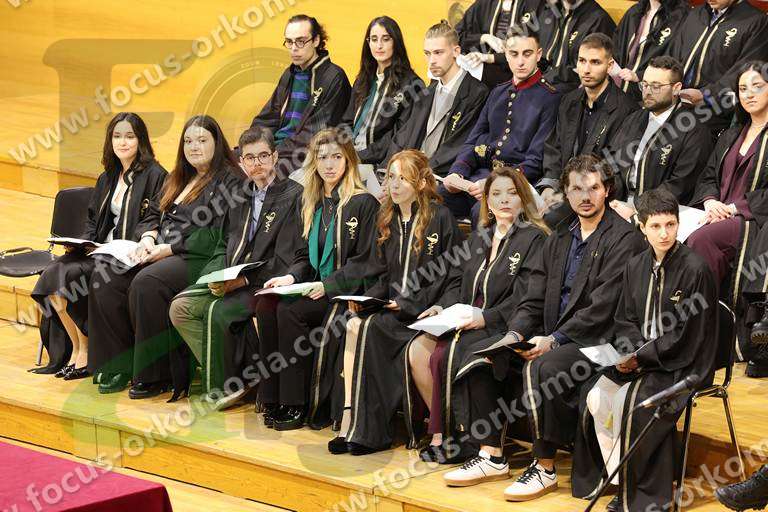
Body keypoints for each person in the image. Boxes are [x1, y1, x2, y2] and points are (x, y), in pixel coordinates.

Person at [498, 155, 645, 502]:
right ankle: (490, 454)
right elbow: (533, 297)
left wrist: (554, 339)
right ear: (566, 193)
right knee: (492, 354)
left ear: (607, 190)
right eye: (577, 189)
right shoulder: (559, 237)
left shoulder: (624, 238)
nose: (585, 196)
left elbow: (604, 308)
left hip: (604, 342)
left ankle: (544, 467)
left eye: (593, 188)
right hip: (559, 337)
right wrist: (514, 334)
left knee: (544, 366)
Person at [571, 189, 717, 512]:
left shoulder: (696, 269)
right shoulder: (635, 265)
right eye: (656, 226)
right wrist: (629, 354)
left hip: (682, 363)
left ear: (678, 224)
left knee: (633, 404)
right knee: (594, 396)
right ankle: (622, 482)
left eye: (670, 224)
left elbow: (689, 335)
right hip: (641, 358)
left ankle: (637, 493)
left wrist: (642, 357)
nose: (664, 233)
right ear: (642, 226)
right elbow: (624, 319)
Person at [407, 168, 548, 478]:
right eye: (496, 194)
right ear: (487, 201)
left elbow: (527, 297)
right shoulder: (480, 236)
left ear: (523, 199)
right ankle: (445, 432)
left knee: (454, 352)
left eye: (511, 193)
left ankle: (469, 442)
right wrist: (441, 307)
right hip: (465, 318)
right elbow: (458, 282)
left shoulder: (534, 238)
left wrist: (487, 317)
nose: (504, 200)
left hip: (502, 325)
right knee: (418, 349)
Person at [88, 115, 243, 398]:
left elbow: (217, 235)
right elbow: (152, 214)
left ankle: (157, 374)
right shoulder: (179, 176)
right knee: (106, 277)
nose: (194, 147)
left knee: (147, 282)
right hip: (160, 250)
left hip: (196, 257)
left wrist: (169, 249)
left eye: (202, 140)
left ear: (217, 143)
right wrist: (148, 237)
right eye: (188, 141)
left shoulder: (230, 181)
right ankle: (119, 364)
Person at [327, 150, 463, 455]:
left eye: (404, 178)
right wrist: (369, 300)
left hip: (424, 314)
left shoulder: (440, 218)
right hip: (394, 310)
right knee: (354, 324)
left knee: (371, 330)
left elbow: (456, 277)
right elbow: (378, 273)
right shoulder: (385, 219)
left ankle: (371, 432)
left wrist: (438, 305)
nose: (396, 184)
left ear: (421, 182)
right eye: (391, 177)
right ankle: (353, 421)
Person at [253, 127, 380, 431]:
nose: (329, 165)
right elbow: (302, 256)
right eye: (322, 158)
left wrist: (327, 285)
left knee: (290, 312)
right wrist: (289, 277)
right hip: (313, 286)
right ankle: (272, 397)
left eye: (336, 157)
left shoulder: (363, 203)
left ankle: (296, 404)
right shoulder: (312, 202)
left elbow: (366, 262)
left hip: (344, 293)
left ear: (348, 160)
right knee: (267, 305)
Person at [168, 126, 303, 408]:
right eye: (250, 158)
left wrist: (240, 282)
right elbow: (223, 243)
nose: (257, 164)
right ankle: (241, 375)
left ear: (275, 157)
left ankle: (227, 385)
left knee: (217, 311)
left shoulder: (292, 195)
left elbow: (284, 259)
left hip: (265, 281)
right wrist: (214, 275)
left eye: (263, 156)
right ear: (241, 162)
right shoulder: (239, 194)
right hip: (231, 277)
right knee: (180, 308)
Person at [31, 113, 166, 379]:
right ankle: (78, 347)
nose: (123, 142)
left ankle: (86, 352)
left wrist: (142, 239)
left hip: (127, 254)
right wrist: (82, 243)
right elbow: (92, 219)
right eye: (117, 136)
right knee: (54, 272)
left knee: (74, 275)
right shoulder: (108, 176)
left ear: (141, 140)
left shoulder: (155, 175)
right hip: (99, 249)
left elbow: (154, 217)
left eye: (130, 137)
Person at [688, 61, 768, 377]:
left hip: (753, 219)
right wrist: (710, 201)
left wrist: (734, 208)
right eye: (743, 88)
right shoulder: (731, 134)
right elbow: (708, 175)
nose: (749, 94)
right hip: (716, 212)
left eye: (757, 86)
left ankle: (699, 333)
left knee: (701, 240)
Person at [444, 28, 560, 220]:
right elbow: (472, 141)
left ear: (538, 55)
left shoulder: (550, 98)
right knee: (435, 199)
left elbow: (535, 161)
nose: (520, 61)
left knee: (480, 212)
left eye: (527, 54)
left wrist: (493, 183)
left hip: (517, 185)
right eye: (514, 54)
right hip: (480, 177)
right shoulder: (497, 92)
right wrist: (457, 173)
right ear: (506, 54)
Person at [537, 33, 638, 226]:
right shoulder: (569, 100)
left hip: (594, 196)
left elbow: (615, 166)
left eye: (595, 62)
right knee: (520, 212)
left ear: (610, 66)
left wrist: (574, 193)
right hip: (562, 188)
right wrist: (549, 186)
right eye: (582, 61)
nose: (586, 69)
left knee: (549, 220)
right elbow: (554, 147)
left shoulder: (626, 110)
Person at [383, 21, 489, 178]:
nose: (431, 60)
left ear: (456, 51)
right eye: (427, 53)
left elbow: (460, 145)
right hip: (410, 175)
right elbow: (403, 137)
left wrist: (418, 173)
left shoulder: (477, 93)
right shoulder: (425, 93)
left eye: (438, 53)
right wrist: (388, 170)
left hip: (443, 177)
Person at [609, 56, 713, 215]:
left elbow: (680, 185)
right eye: (644, 84)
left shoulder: (695, 130)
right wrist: (611, 199)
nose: (647, 91)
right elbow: (612, 162)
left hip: (661, 213)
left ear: (676, 88)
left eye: (656, 86)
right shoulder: (634, 119)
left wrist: (637, 210)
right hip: (620, 203)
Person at [250, 15, 352, 175]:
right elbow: (268, 117)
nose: (294, 48)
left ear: (316, 40)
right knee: (229, 162)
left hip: (305, 155)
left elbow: (316, 134)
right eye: (289, 42)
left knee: (265, 173)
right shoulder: (289, 73)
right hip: (277, 149)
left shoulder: (334, 77)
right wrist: (252, 144)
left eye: (300, 41)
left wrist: (271, 153)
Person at [668, 0, 768, 133]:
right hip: (674, 101)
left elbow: (746, 73)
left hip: (713, 111)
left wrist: (705, 95)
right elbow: (672, 56)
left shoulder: (756, 21)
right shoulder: (695, 14)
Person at [342, 16, 424, 169]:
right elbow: (347, 121)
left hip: (377, 163)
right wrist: (343, 151)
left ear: (396, 42)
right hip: (349, 157)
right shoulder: (363, 79)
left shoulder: (411, 85)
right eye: (374, 39)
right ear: (368, 43)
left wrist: (358, 157)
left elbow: (397, 137)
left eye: (386, 39)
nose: (379, 45)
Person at [455, 0, 544, 88]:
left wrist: (490, 57)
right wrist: (484, 38)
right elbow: (457, 36)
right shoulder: (484, 3)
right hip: (483, 70)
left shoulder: (533, 4)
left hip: (514, 73)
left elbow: (532, 49)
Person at [612, 0, 689, 101]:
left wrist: (639, 76)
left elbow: (676, 61)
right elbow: (615, 49)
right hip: (620, 92)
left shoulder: (681, 16)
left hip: (653, 96)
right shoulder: (634, 12)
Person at [539, 0, 616, 93]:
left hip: (572, 86)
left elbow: (585, 70)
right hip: (546, 79)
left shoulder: (598, 20)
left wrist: (546, 78)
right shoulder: (551, 11)